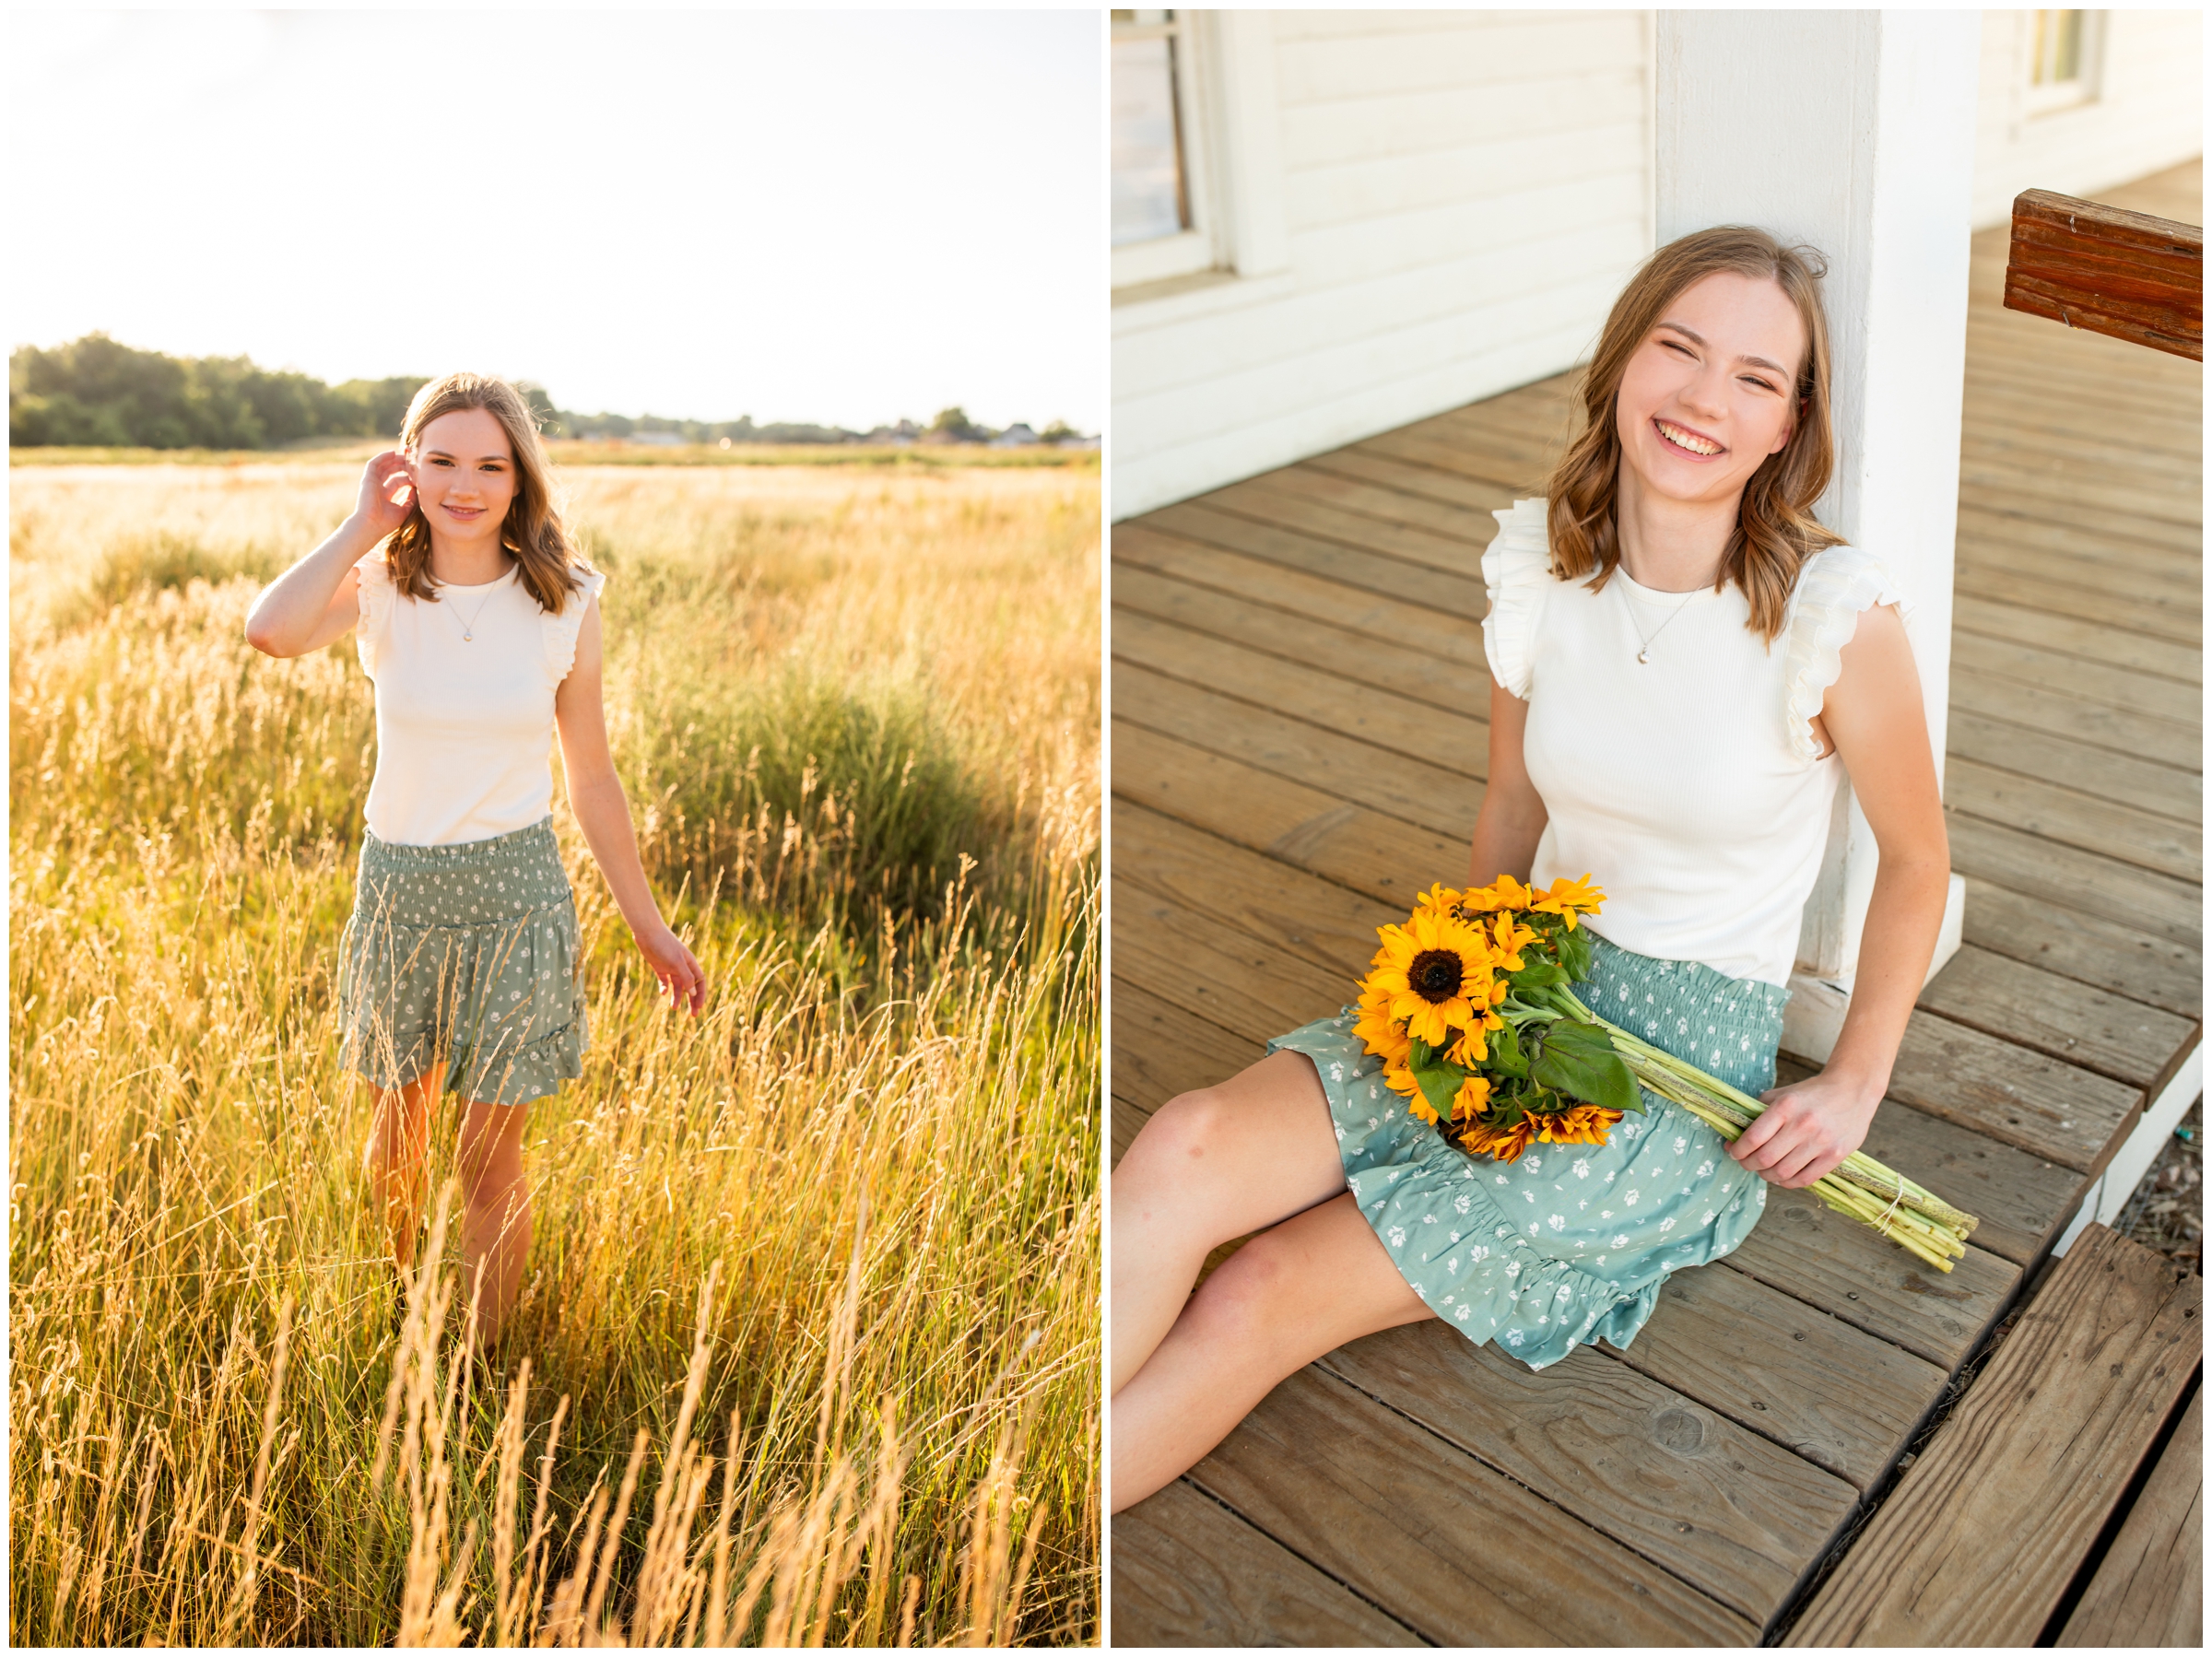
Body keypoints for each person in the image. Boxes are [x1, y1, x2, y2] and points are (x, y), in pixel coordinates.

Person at [1110, 228, 1950, 1511]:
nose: (1702, 398)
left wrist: (1854, 1082)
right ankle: (977, 1462)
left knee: (1261, 1287)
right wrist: (1444, 995)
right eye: (1677, 348)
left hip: (1670, 1070)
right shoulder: (1541, 577)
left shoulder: (1832, 616)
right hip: (1519, 979)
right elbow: (1511, 802)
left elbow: (1918, 858)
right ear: (1622, 364)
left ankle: (1007, 1539)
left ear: (1788, 425)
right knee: (1189, 1141)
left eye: (1753, 377)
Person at [245, 371, 707, 1352]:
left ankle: (481, 1367)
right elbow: (270, 632)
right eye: (442, 458)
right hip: (401, 892)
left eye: (490, 463)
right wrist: (359, 526)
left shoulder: (566, 600)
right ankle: (397, 1327)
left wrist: (649, 923)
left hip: (515, 897)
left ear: (519, 477)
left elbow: (592, 776)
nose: (466, 483)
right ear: (408, 465)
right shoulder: (376, 588)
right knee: (397, 1143)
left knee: (489, 1159)